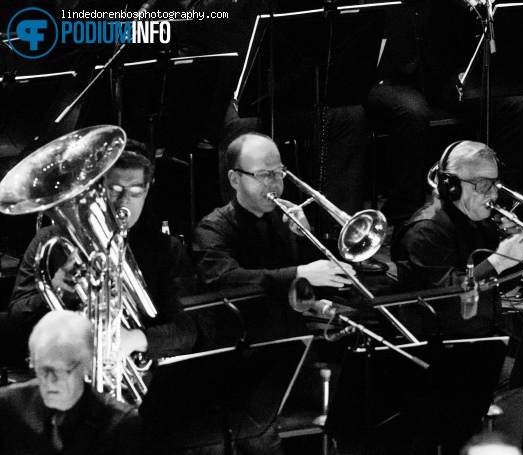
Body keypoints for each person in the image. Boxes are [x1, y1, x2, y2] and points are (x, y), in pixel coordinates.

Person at [391, 141, 523, 450]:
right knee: (518, 378)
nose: (494, 195)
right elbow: (446, 298)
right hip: (441, 354)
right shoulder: (425, 230)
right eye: (483, 185)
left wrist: (510, 244)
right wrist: (498, 261)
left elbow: (505, 283)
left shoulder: (476, 221)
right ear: (451, 185)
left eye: (495, 184)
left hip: (480, 343)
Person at [8, 142, 197, 361]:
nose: (123, 202)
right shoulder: (51, 241)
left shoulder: (167, 249)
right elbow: (15, 325)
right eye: (113, 190)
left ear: (148, 188)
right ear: (95, 187)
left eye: (135, 191)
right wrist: (58, 291)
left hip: (140, 378)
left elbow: (187, 331)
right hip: (64, 369)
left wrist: (134, 339)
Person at [367, 0, 523, 230]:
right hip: (400, 73)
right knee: (411, 112)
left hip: (451, 68)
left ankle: (500, 206)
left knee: (518, 103)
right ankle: (405, 216)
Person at [193, 133, 356, 343]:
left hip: (293, 340)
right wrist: (298, 273)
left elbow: (321, 287)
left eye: (278, 173)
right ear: (234, 179)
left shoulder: (285, 218)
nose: (273, 183)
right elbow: (227, 281)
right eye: (262, 174)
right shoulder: (212, 229)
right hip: (241, 350)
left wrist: (305, 237)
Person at [0, 310, 143, 454]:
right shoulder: (8, 406)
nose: (50, 380)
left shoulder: (121, 424)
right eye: (43, 368)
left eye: (61, 370)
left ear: (86, 366)